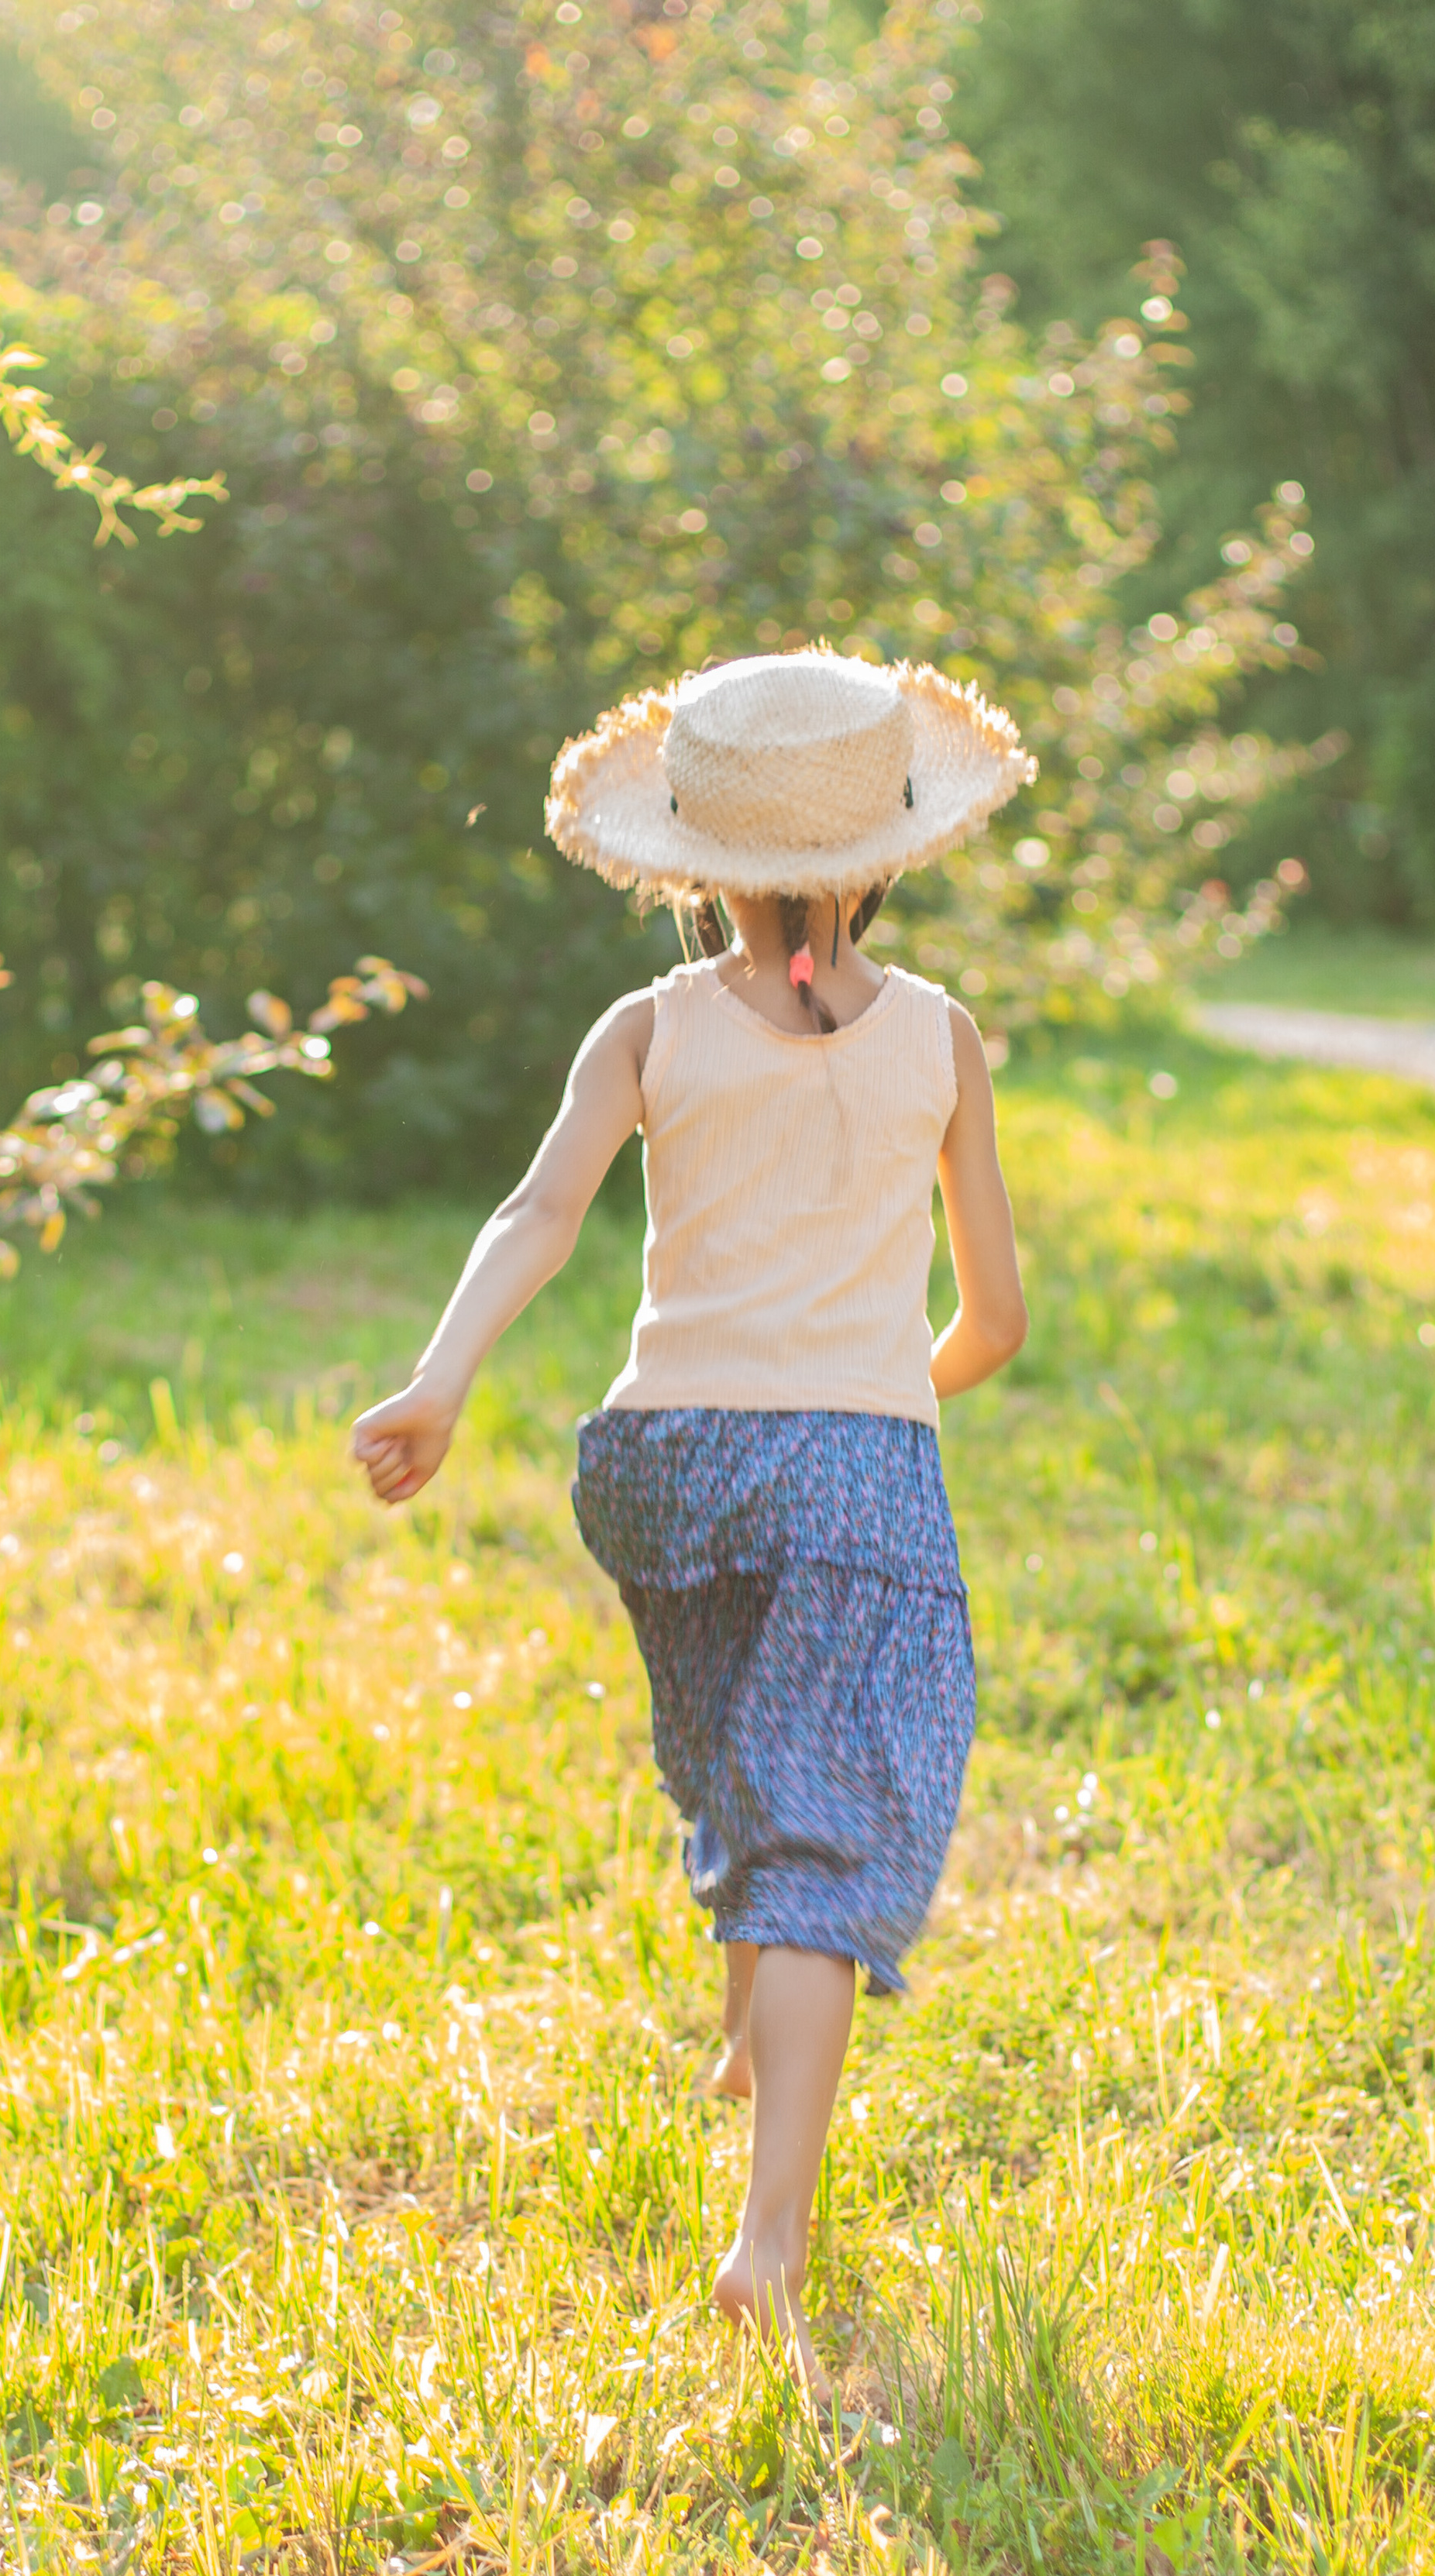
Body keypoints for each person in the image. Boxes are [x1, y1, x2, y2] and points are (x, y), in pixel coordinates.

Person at [351, 646, 1032, 2400]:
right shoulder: (943, 1040)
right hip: (848, 1454)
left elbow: (537, 1211)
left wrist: (438, 1381)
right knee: (826, 1824)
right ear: (883, 857)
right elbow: (993, 1321)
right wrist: (878, 1406)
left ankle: (743, 2034)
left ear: (700, 869)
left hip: (658, 1460)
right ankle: (767, 2248)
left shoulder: (647, 1028)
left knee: (740, 1728)